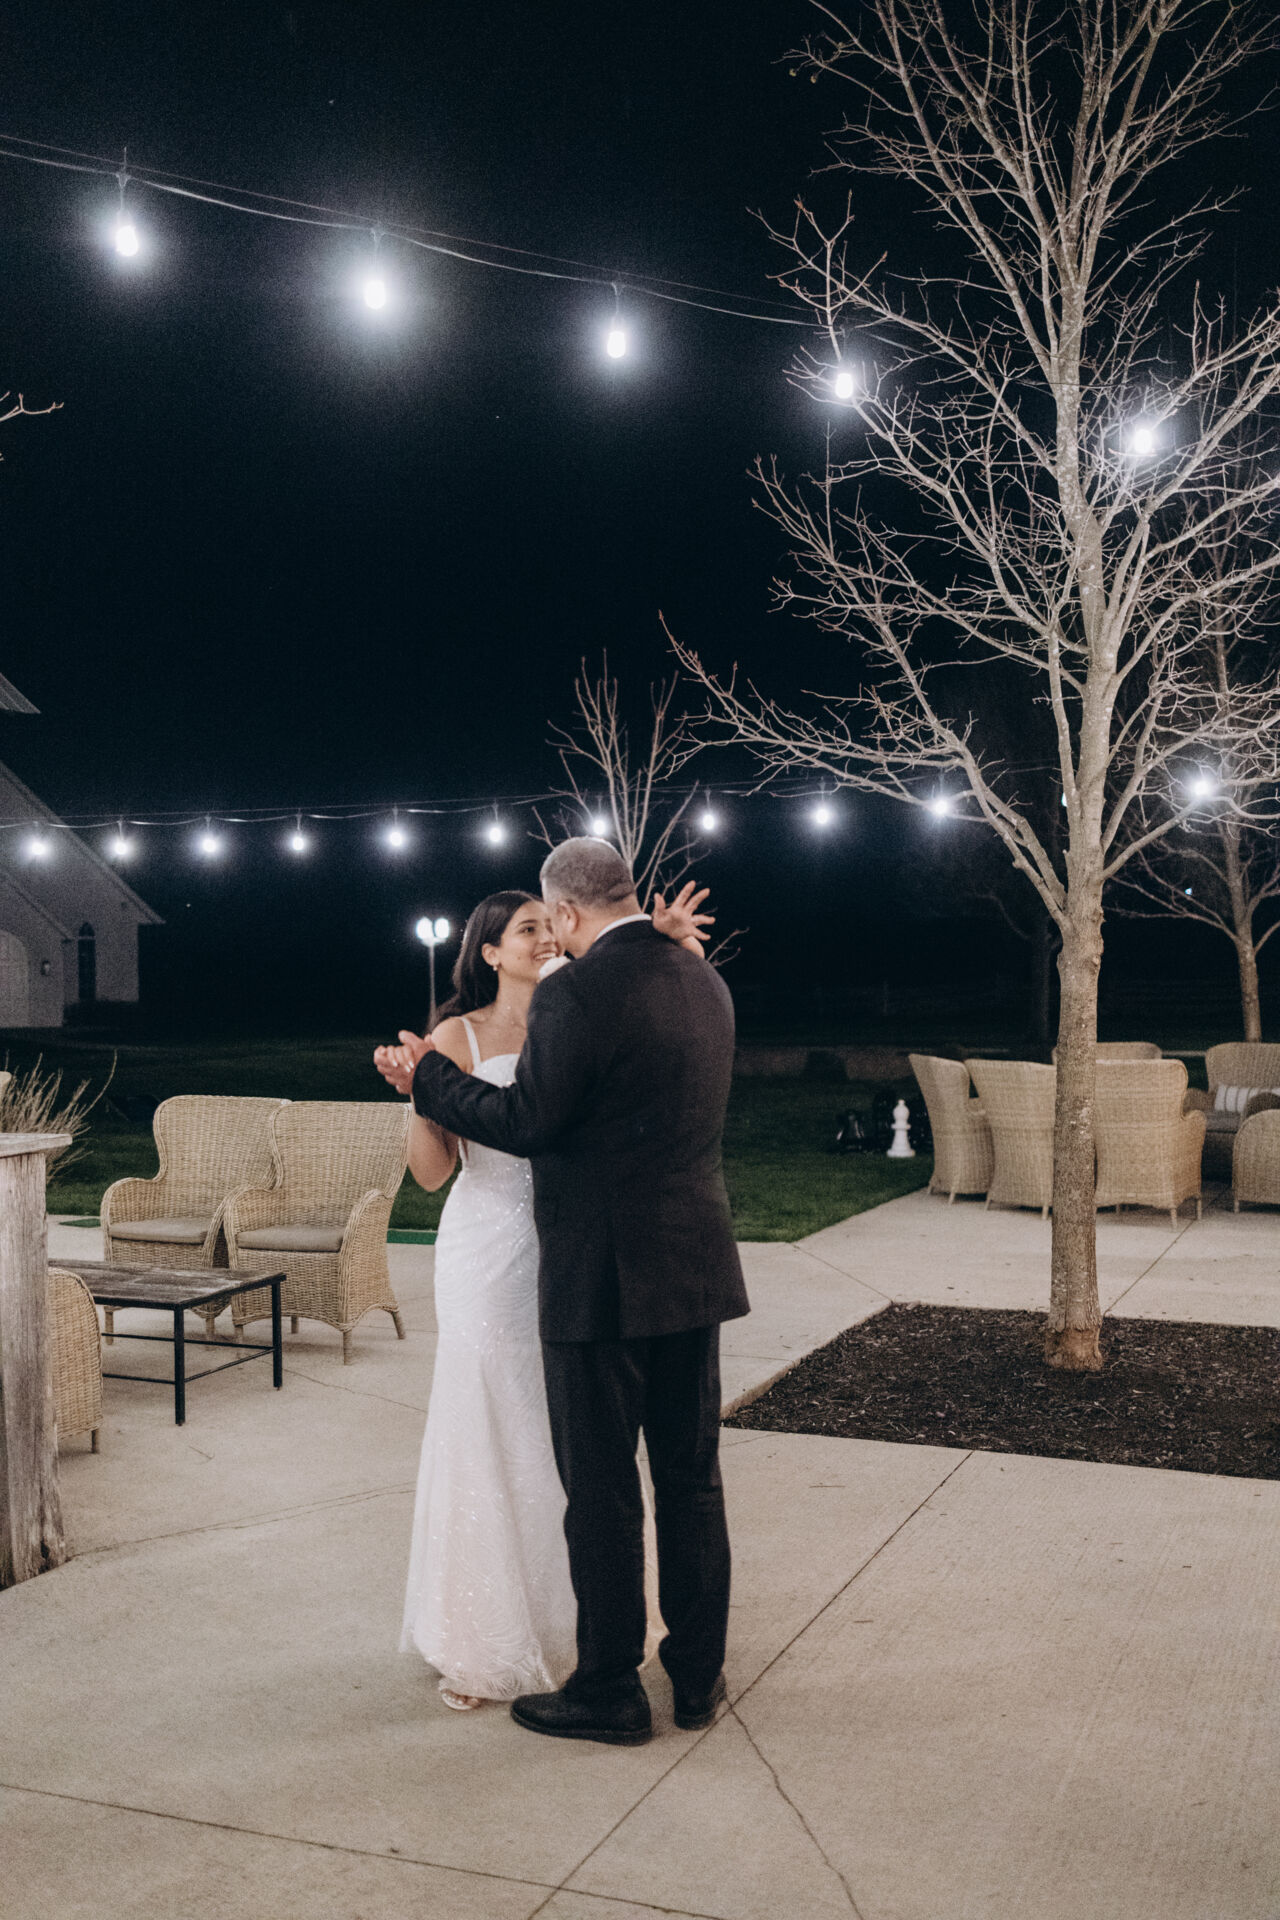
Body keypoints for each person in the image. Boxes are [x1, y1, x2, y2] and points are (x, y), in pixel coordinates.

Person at [385, 838, 749, 1746]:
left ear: (570, 912)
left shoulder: (577, 993)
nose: (553, 939)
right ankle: (696, 1678)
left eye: (553, 923)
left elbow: (529, 1120)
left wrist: (430, 1078)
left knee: (602, 1491)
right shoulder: (703, 978)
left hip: (601, 1277)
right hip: (694, 1269)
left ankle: (610, 1690)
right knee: (691, 1480)